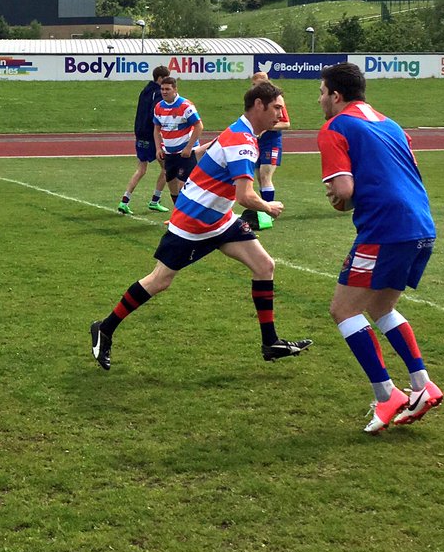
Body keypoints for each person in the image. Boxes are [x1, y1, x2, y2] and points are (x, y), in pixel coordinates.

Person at [90, 82, 311, 370]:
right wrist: (269, 206)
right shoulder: (243, 139)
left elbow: (208, 151)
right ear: (259, 105)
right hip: (194, 223)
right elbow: (245, 196)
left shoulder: (240, 132)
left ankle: (270, 343)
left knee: (264, 266)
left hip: (219, 219)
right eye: (277, 108)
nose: (281, 115)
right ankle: (104, 329)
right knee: (160, 280)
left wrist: (187, 162)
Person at [317, 63, 442, 435]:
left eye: (322, 92)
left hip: (384, 229)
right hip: (420, 225)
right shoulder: (391, 124)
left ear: (336, 96)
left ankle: (386, 394)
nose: (320, 99)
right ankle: (421, 385)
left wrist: (339, 202)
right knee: (380, 306)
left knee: (343, 309)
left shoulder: (335, 127)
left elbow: (343, 191)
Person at [239, 71, 290, 231]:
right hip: (257, 143)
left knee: (265, 175)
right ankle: (262, 210)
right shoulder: (255, 103)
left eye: (257, 84)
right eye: (253, 84)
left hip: (272, 142)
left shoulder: (275, 101)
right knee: (259, 178)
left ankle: (268, 213)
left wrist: (267, 128)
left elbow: (286, 123)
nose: (254, 87)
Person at [118, 65, 171, 215]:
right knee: (167, 168)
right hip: (151, 135)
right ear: (160, 79)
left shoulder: (145, 90)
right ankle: (155, 200)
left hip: (140, 133)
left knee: (141, 169)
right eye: (166, 79)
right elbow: (156, 115)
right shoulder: (158, 94)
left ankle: (124, 201)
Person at [152, 76, 204, 205]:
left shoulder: (185, 105)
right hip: (169, 153)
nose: (164, 92)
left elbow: (199, 126)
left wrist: (188, 147)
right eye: (162, 89)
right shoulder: (159, 107)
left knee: (183, 185)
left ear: (175, 89)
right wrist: (158, 148)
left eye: (167, 89)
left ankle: (187, 216)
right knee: (171, 184)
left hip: (186, 153)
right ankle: (178, 215)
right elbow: (156, 129)